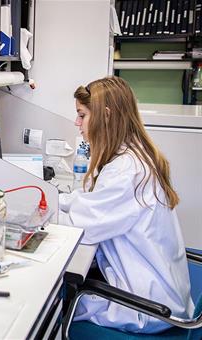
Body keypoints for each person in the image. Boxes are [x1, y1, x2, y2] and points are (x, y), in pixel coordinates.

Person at [60, 76, 194, 333]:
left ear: (106, 116)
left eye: (82, 115)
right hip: (162, 286)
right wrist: (55, 199)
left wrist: (35, 215)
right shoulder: (134, 155)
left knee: (53, 308)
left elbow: (81, 229)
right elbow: (92, 205)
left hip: (148, 306)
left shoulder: (126, 171)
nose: (77, 123)